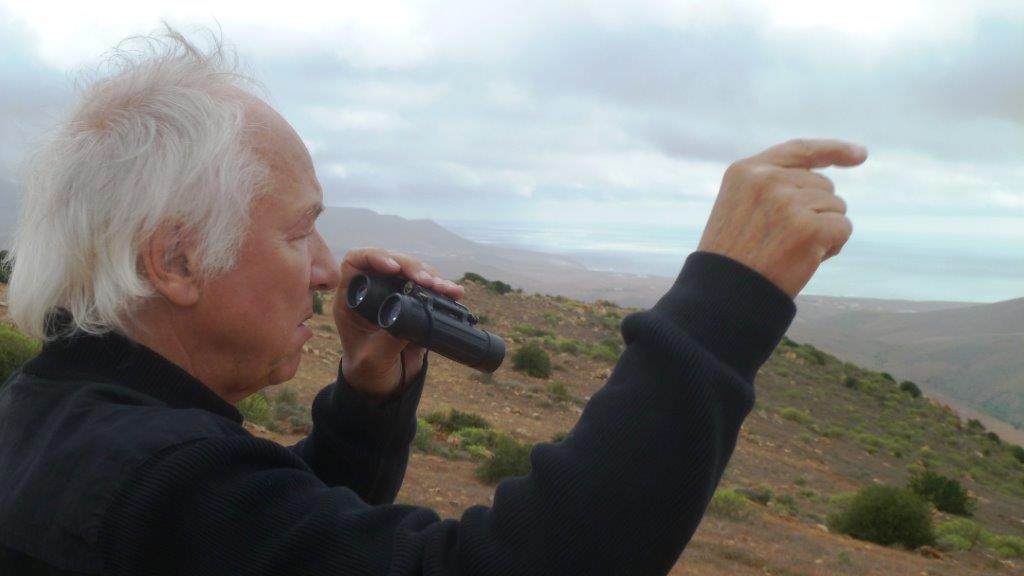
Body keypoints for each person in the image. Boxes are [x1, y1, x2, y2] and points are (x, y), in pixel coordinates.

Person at [0, 29, 865, 576]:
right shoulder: (154, 475)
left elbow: (276, 540)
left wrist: (367, 400)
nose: (328, 271)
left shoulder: (57, 420)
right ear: (179, 260)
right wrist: (727, 299)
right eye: (300, 233)